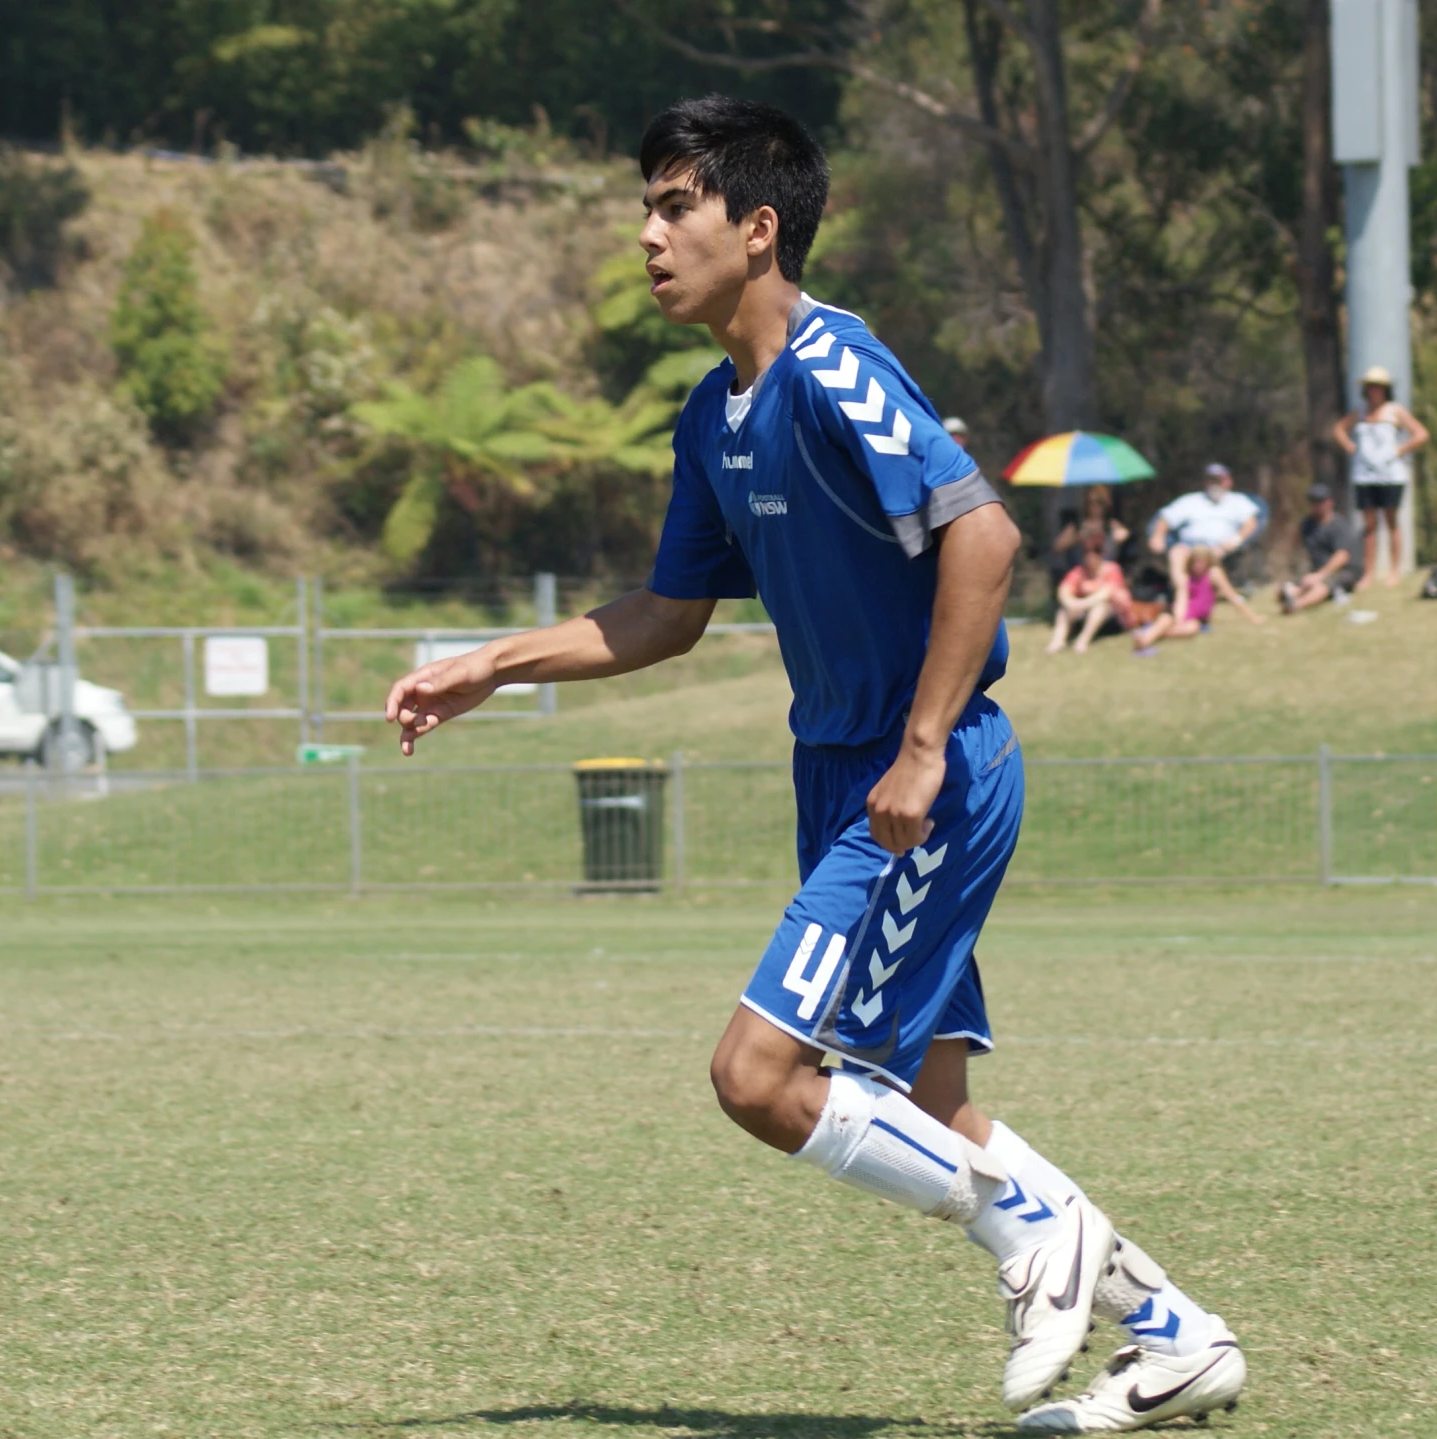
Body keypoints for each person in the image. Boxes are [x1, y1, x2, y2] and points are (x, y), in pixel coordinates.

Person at [382, 97, 1244, 1434]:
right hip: (845, 778)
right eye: (650, 206)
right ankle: (1175, 1336)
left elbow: (984, 537)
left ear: (758, 225)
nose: (649, 233)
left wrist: (914, 753)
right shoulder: (709, 416)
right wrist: (493, 661)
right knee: (934, 1100)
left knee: (758, 1075)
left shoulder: (837, 369)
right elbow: (666, 617)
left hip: (923, 779)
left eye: (677, 205)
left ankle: (1041, 1240)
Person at [1330, 366, 1429, 589]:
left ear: (1385, 389)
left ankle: (1394, 571)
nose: (1374, 391)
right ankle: (1369, 573)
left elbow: (1421, 434)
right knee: (1370, 524)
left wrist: (1400, 450)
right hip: (1365, 476)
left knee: (1391, 521)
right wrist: (1350, 447)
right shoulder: (1361, 412)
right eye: (1370, 387)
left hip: (1390, 475)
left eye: (1378, 387)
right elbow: (1339, 429)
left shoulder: (1395, 411)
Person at [1147, 464, 1261, 590]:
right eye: (1211, 480)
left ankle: (1205, 592)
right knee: (1176, 553)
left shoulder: (1238, 501)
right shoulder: (1190, 500)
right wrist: (1158, 536)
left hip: (1220, 548)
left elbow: (1251, 523)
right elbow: (1165, 519)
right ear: (1205, 482)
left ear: (1228, 481)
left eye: (1218, 480)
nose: (1214, 484)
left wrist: (1236, 539)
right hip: (1188, 547)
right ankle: (1183, 592)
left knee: (1204, 558)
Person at [1132, 548, 1264, 654]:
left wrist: (1251, 617)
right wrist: (1179, 618)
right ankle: (1144, 642)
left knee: (1190, 629)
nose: (1198, 565)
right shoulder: (1186, 577)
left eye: (1201, 562)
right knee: (1166, 619)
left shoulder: (1213, 574)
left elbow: (1232, 596)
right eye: (1195, 562)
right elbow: (1181, 599)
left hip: (1197, 618)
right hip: (1179, 612)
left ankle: (1150, 633)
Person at [1279, 484, 1364, 613]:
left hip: (1343, 571)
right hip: (1317, 570)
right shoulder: (1307, 525)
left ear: (1329, 502)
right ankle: (1295, 593)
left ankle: (1296, 605)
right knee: (1283, 589)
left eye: (1319, 501)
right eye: (1312, 502)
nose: (1315, 505)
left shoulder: (1339, 526)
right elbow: (1297, 548)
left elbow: (1342, 556)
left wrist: (1319, 575)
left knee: (1322, 586)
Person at [1049, 525, 1132, 653]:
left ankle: (1082, 641)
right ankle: (1058, 641)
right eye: (1087, 551)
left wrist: (1080, 604)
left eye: (1096, 551)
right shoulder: (1079, 572)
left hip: (1113, 620)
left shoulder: (1111, 569)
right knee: (1064, 610)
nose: (1091, 555)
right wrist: (1072, 604)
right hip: (1084, 613)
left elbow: (1106, 593)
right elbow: (1063, 591)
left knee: (1100, 606)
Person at [1048, 484, 1132, 585]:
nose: (1095, 507)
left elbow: (1126, 538)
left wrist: (1119, 538)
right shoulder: (1077, 526)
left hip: (1106, 576)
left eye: (1099, 503)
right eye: (1091, 502)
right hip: (1080, 575)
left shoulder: (1111, 525)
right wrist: (1077, 537)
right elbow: (1057, 547)